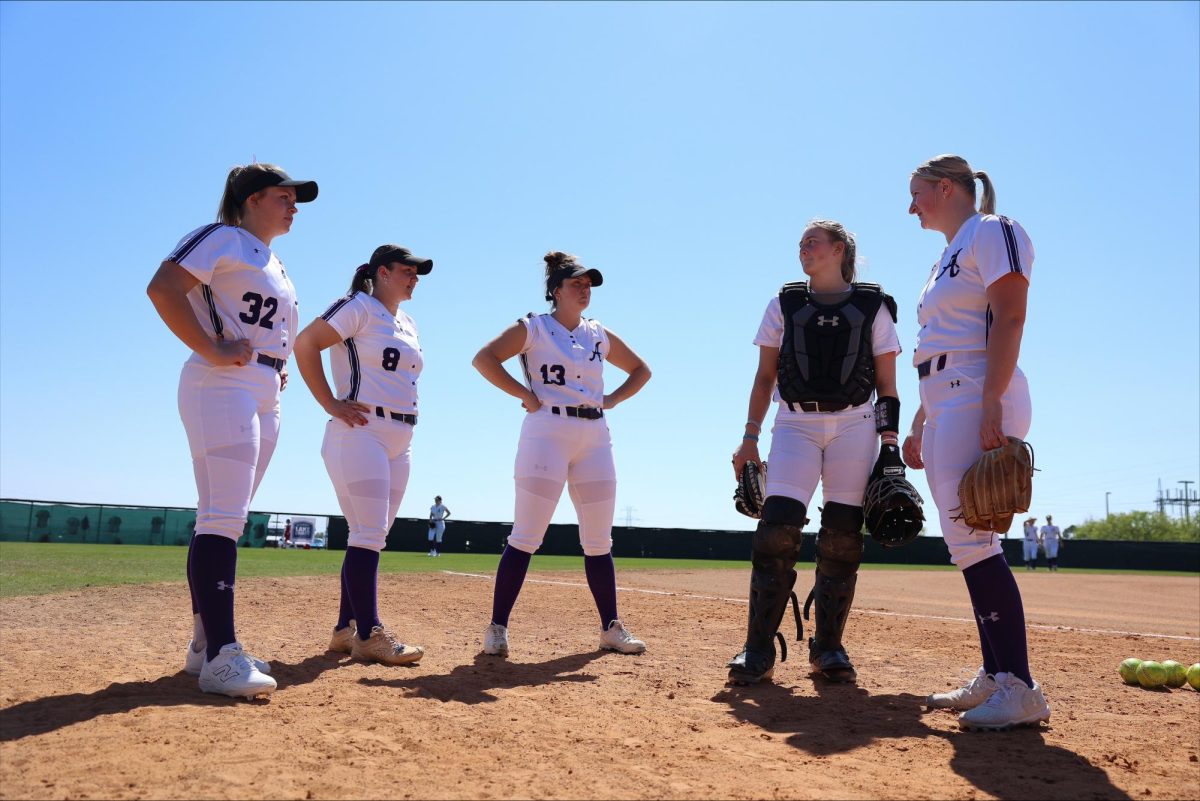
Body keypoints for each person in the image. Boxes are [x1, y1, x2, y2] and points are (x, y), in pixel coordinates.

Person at [146, 162, 317, 698]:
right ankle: (223, 654)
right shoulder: (221, 236)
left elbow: (261, 323)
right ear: (251, 199)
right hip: (221, 384)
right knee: (222, 517)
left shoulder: (273, 259)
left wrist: (276, 361)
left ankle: (204, 647)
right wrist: (212, 348)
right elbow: (163, 287)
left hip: (261, 388)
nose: (293, 206)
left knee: (225, 516)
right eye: (283, 196)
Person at [901, 154, 1051, 730]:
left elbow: (1010, 317)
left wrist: (992, 400)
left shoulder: (994, 230)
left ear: (945, 188)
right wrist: (921, 418)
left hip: (977, 389)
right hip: (946, 394)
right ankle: (996, 674)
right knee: (968, 542)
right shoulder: (949, 253)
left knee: (973, 540)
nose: (910, 206)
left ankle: (1019, 686)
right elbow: (943, 338)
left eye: (916, 194)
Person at [728, 220, 903, 686]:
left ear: (839, 249)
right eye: (800, 243)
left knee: (843, 535)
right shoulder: (784, 304)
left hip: (856, 424)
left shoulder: (873, 307)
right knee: (777, 529)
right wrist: (749, 437)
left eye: (813, 242)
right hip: (795, 423)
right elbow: (765, 378)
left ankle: (828, 648)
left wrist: (891, 449)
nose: (803, 249)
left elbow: (887, 387)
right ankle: (758, 649)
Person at [472, 251, 652, 658]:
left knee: (599, 540)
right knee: (526, 536)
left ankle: (611, 627)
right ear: (556, 290)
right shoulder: (534, 327)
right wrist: (523, 394)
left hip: (595, 435)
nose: (585, 288)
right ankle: (497, 627)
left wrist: (613, 400)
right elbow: (484, 359)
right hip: (546, 432)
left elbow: (642, 369)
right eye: (577, 283)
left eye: (588, 284)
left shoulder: (598, 333)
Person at [293, 244, 433, 667]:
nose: (414, 278)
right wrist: (330, 403)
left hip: (399, 437)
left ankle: (343, 630)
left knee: (368, 536)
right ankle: (370, 633)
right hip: (360, 432)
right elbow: (305, 343)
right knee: (368, 535)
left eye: (417, 273)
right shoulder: (358, 306)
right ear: (382, 272)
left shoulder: (406, 321)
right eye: (407, 271)